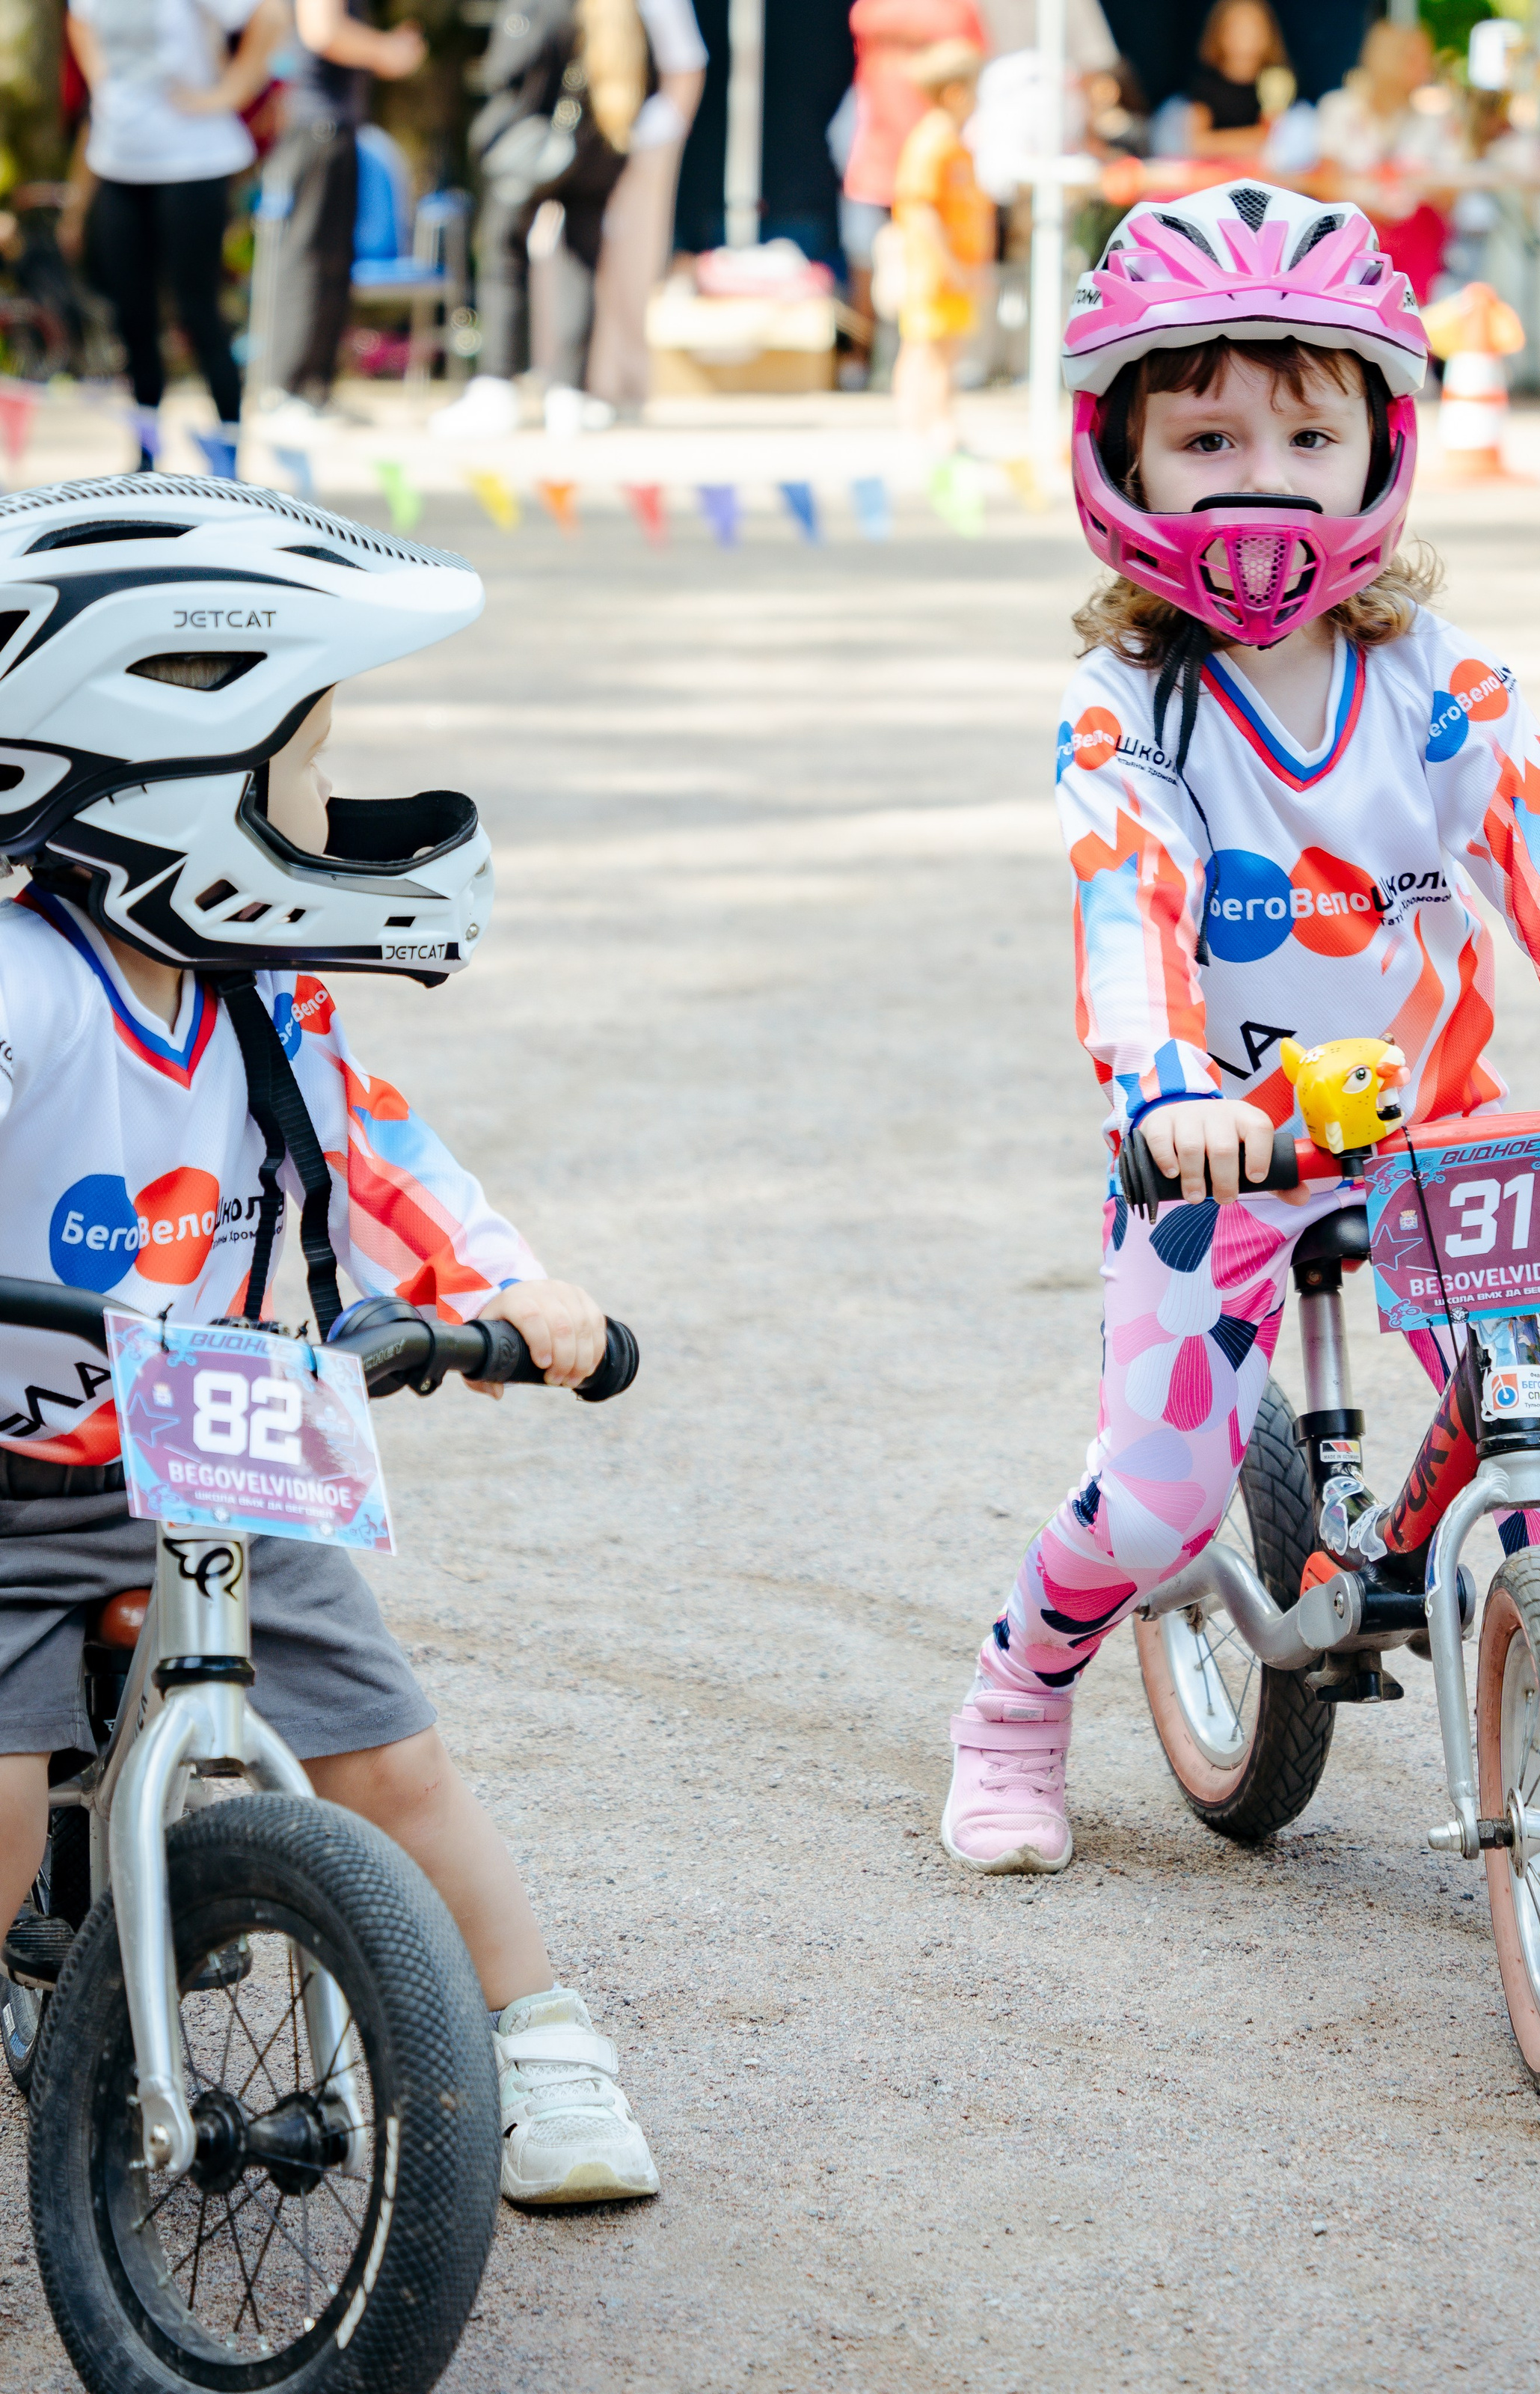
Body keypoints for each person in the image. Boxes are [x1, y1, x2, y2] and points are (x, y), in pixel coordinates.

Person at [938, 179, 1540, 1947]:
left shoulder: (1442, 684)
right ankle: (1013, 1693)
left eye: (1303, 425)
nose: (1258, 474)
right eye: (1205, 433)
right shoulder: (1132, 715)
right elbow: (1123, 905)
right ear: (1118, 458)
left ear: (1379, 454)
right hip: (1222, 1148)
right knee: (1161, 1492)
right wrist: (1161, 1094)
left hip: (1442, 1137)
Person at [0, 475, 659, 2205]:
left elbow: (380, 1156)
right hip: (10, 1466)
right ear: (159, 761)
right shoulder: (24, 983)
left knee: (389, 1758)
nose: (328, 803)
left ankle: (531, 2036)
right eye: (301, 760)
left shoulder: (262, 994)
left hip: (218, 1437)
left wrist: (515, 1289)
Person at [435, 0, 696, 439]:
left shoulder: (543, 7)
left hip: (534, 148)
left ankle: (498, 385)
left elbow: (508, 68)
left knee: (505, 257)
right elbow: (665, 76)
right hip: (602, 147)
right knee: (581, 265)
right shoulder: (625, 11)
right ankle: (569, 392)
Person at [65, 0, 287, 477]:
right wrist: (104, 85)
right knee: (132, 314)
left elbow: (272, 16)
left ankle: (229, 454)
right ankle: (145, 455)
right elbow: (79, 23)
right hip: (117, 163)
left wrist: (228, 93)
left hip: (193, 161)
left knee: (197, 308)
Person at [251, 0, 427, 434]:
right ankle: (286, 391)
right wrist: (386, 50)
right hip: (317, 129)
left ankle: (315, 391)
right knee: (307, 262)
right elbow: (323, 31)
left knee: (334, 264)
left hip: (337, 129)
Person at [582, 0, 707, 411]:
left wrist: (648, 139)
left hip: (640, 145)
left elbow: (686, 68)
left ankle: (626, 386)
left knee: (631, 265)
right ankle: (578, 380)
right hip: (580, 145)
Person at [1304, 16, 1460, 303]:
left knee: (1422, 229)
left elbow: (1449, 198)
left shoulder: (1433, 123)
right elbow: (1324, 184)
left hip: (1412, 243)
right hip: (1354, 237)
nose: (1426, 68)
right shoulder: (1339, 108)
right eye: (1415, 58)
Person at [892, 38, 994, 448]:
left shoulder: (954, 141)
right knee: (930, 350)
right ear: (955, 92)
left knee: (946, 350)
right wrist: (948, 264)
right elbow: (920, 209)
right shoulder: (933, 142)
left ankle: (934, 418)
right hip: (936, 271)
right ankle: (927, 423)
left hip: (957, 268)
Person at [1186, 0, 1286, 162]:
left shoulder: (1277, 83)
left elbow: (1278, 140)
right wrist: (1253, 138)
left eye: (1254, 29)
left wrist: (1221, 142)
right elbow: (1198, 144)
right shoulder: (1205, 86)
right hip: (1217, 174)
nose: (1246, 37)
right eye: (1238, 29)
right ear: (1219, 34)